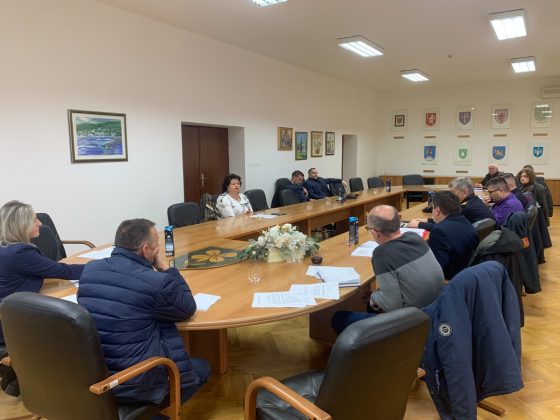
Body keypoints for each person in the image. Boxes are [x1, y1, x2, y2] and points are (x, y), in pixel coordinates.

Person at [78, 218, 210, 407]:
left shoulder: (90, 270)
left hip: (95, 375)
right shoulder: (155, 282)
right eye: (157, 244)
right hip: (137, 384)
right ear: (145, 250)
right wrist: (167, 269)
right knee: (203, 367)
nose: (159, 249)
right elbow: (187, 307)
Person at [330, 205, 444, 335]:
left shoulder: (382, 254)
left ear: (375, 232)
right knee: (371, 306)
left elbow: (392, 305)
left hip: (412, 323)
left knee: (338, 318)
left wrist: (374, 297)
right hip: (436, 311)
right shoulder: (415, 237)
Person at [0, 200, 85, 345]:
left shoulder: (5, 248)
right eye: (34, 220)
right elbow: (63, 271)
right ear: (21, 225)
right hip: (12, 324)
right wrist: (100, 266)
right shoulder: (20, 253)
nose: (40, 223)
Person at [408, 177, 495, 230]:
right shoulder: (474, 201)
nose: (451, 195)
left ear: (465, 192)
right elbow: (448, 221)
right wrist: (427, 220)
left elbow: (446, 227)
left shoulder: (467, 208)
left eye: (453, 192)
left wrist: (420, 224)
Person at [427, 191, 479, 279]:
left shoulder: (439, 231)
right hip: (464, 272)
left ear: (437, 210)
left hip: (449, 279)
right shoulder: (465, 222)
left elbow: (437, 270)